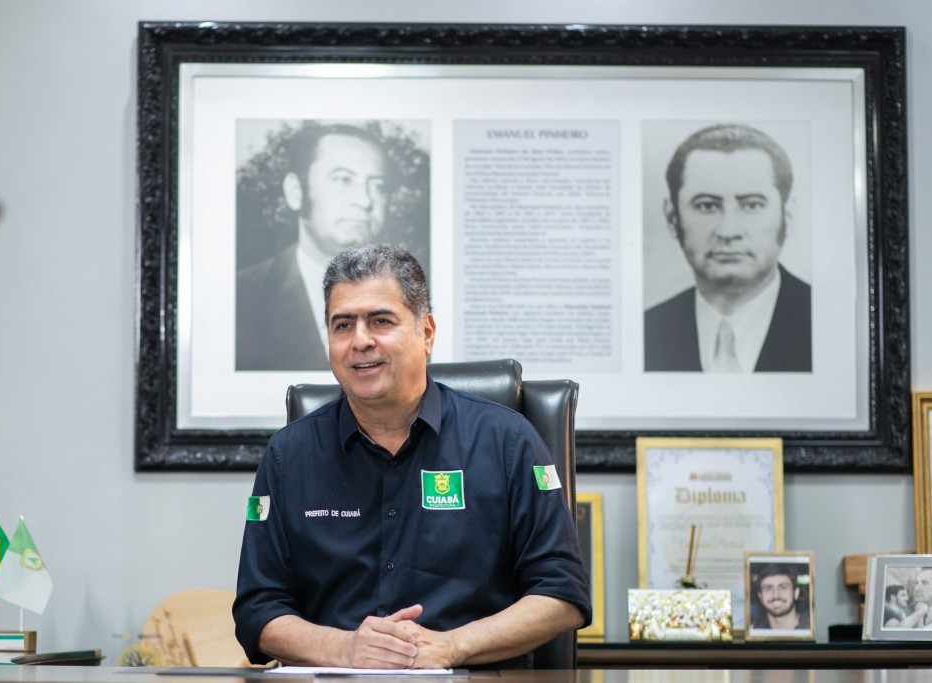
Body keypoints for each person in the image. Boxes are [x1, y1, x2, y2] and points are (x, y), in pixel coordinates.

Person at [233, 244, 590, 669]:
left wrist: (451, 647)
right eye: (343, 325)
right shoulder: (288, 455)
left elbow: (562, 594)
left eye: (380, 321)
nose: (360, 341)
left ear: (427, 333)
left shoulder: (508, 441)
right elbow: (256, 608)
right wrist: (345, 649)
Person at [645, 123, 812, 373]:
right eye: (707, 206)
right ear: (672, 218)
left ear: (786, 217)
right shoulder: (647, 330)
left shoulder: (824, 321)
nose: (728, 231)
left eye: (752, 205)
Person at [236, 123, 394, 371]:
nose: (365, 200)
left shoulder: (410, 297)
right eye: (343, 180)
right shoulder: (241, 298)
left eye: (378, 186)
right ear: (296, 192)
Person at [750, 564, 810, 630]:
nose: (776, 595)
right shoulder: (754, 631)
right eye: (768, 588)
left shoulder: (812, 628)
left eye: (783, 587)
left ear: (796, 593)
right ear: (760, 596)